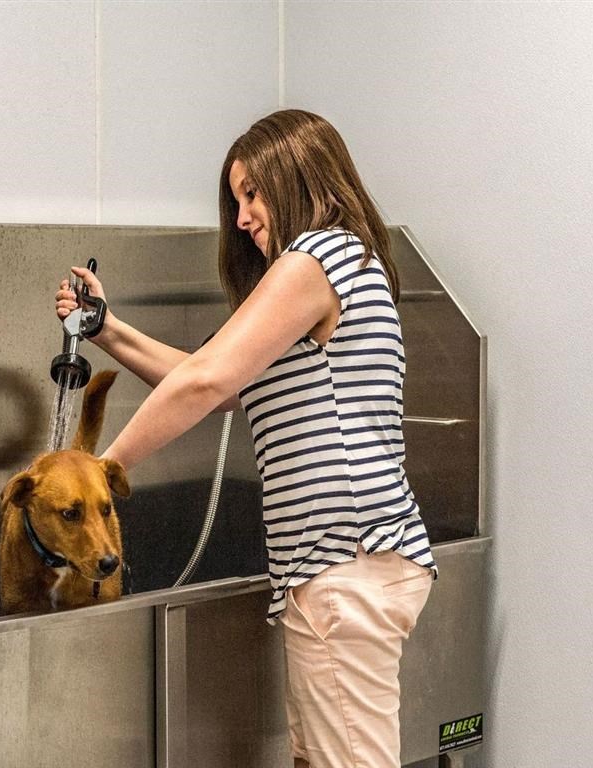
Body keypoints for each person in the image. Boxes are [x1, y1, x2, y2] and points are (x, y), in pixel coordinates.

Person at [54, 109, 436, 768]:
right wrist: (107, 329)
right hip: (353, 565)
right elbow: (222, 386)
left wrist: (97, 472)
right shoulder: (346, 262)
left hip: (344, 568)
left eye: (252, 193)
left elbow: (205, 382)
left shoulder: (316, 255)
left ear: (301, 177)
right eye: (236, 200)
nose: (242, 216)